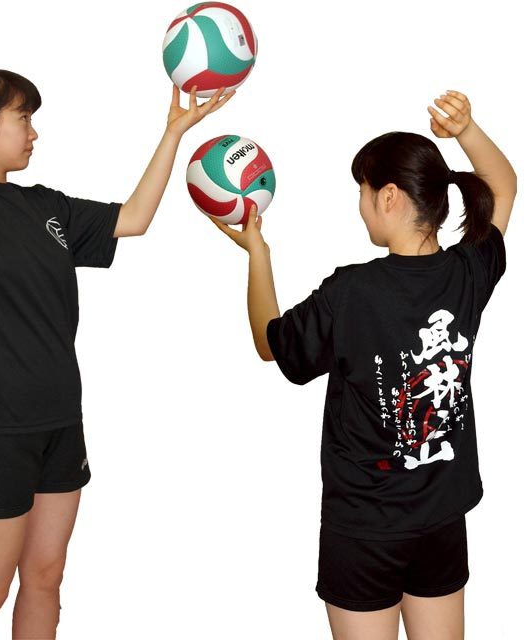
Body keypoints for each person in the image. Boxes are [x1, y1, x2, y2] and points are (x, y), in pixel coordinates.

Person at [0, 34, 234, 639]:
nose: (34, 133)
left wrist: (174, 133)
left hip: (59, 420)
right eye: (23, 119)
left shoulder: (47, 207)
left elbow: (134, 218)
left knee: (45, 578)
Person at [210, 90, 516, 639]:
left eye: (363, 191)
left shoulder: (350, 292)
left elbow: (270, 343)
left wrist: (258, 254)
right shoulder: (468, 272)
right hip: (441, 521)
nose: (361, 204)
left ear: (389, 196)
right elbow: (504, 187)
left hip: (364, 529)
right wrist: (467, 130)